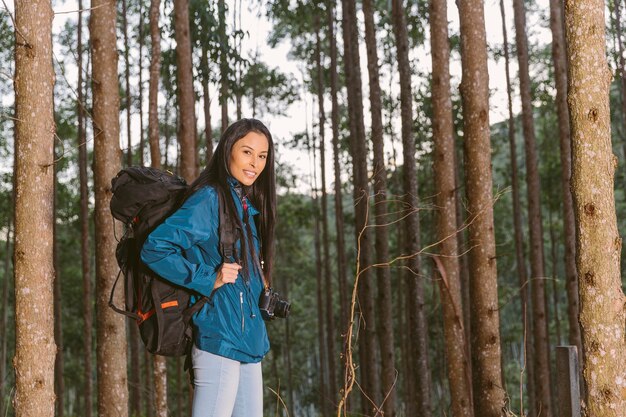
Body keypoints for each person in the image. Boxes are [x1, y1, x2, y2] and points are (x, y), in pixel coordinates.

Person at [141, 118, 276, 417]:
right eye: (247, 152)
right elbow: (154, 248)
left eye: (262, 156)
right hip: (218, 341)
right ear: (228, 150)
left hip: (249, 343)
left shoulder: (243, 205)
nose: (255, 163)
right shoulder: (209, 199)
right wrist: (208, 278)